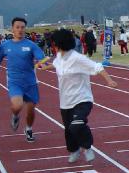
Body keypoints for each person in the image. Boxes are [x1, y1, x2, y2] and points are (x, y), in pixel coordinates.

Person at [43, 28, 118, 163]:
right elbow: (56, 65)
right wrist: (45, 67)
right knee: (69, 130)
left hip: (82, 99)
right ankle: (74, 151)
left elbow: (98, 67)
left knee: (76, 125)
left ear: (60, 43)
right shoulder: (59, 56)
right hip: (65, 101)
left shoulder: (77, 58)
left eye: (54, 43)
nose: (53, 46)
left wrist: (109, 80)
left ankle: (87, 147)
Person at [0, 17, 45, 142]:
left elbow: (41, 57)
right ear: (12, 29)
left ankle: (28, 129)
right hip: (14, 82)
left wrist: (42, 62)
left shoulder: (31, 45)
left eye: (22, 27)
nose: (20, 30)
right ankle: (15, 115)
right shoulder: (5, 46)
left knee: (30, 111)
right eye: (17, 27)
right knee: (17, 106)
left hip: (30, 82)